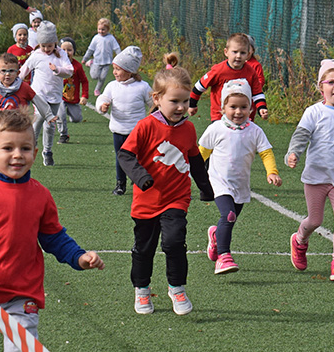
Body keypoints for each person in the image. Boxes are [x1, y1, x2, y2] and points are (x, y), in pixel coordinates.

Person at [0, 108, 104, 352]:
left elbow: (54, 237)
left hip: (23, 293)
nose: (18, 155)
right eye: (8, 148)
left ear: (34, 151)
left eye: (26, 148)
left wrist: (79, 257)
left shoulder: (41, 195)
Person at [117, 61, 214, 315]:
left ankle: (177, 287)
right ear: (157, 99)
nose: (181, 107)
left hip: (176, 198)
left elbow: (195, 160)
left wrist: (205, 188)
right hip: (146, 201)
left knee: (174, 242)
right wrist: (141, 177)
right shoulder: (146, 126)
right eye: (175, 101)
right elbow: (125, 156)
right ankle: (142, 290)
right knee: (144, 249)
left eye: (185, 101)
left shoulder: (188, 128)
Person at [285, 59, 334, 283]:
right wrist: (293, 153)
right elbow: (301, 136)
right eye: (331, 82)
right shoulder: (313, 112)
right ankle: (299, 241)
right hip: (316, 177)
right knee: (315, 220)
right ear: (321, 87)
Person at [198, 78, 282, 275]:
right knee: (228, 215)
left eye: (243, 107)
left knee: (230, 219)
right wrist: (188, 172)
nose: (238, 112)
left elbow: (266, 152)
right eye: (233, 107)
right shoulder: (216, 128)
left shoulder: (255, 131)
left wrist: (272, 172)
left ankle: (216, 236)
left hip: (241, 185)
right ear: (223, 107)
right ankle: (224, 257)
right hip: (219, 182)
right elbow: (201, 152)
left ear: (250, 108)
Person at [96, 46, 153, 196]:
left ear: (129, 71)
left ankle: (139, 180)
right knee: (120, 158)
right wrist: (102, 106)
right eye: (114, 68)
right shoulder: (112, 86)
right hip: (118, 130)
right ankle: (120, 184)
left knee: (139, 157)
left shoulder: (142, 87)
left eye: (118, 69)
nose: (114, 72)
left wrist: (155, 117)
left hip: (137, 132)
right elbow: (103, 98)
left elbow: (153, 103)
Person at [19, 21, 73, 167]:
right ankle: (30, 147)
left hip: (54, 96)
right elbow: (24, 70)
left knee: (50, 125)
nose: (47, 49)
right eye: (43, 46)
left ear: (54, 42)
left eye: (49, 45)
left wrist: (58, 70)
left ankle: (47, 151)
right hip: (39, 95)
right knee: (38, 121)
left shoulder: (61, 54)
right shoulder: (36, 55)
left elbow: (70, 70)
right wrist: (13, 83)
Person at [0, 53, 56, 142]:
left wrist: (48, 115)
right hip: (0, 128)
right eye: (3, 71)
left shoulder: (24, 87)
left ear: (18, 73)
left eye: (11, 71)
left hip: (20, 128)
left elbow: (37, 100)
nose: (7, 74)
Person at [188, 33, 268, 122]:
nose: (238, 56)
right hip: (220, 117)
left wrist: (262, 107)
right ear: (226, 52)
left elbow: (257, 93)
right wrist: (192, 104)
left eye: (242, 53)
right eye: (235, 52)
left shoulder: (251, 72)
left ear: (248, 54)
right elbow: (200, 86)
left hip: (242, 117)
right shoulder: (218, 70)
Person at [56, 37, 89, 144]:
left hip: (72, 97)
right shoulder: (56, 63)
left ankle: (71, 115)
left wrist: (84, 95)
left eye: (69, 50)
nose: (66, 52)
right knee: (60, 115)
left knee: (76, 118)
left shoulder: (77, 66)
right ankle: (63, 134)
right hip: (59, 96)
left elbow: (84, 81)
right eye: (63, 50)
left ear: (74, 51)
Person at [82, 17, 122, 97]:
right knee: (94, 76)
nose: (101, 31)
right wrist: (85, 58)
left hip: (107, 62)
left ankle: (97, 89)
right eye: (99, 29)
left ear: (108, 29)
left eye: (103, 29)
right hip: (96, 61)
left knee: (102, 77)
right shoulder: (96, 38)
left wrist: (120, 58)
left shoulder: (111, 38)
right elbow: (90, 49)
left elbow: (116, 48)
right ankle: (90, 63)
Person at [243, 34, 266, 121]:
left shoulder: (255, 65)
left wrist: (250, 87)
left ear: (252, 50)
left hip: (250, 99)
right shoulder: (236, 64)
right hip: (235, 97)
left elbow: (260, 81)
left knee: (247, 120)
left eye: (248, 49)